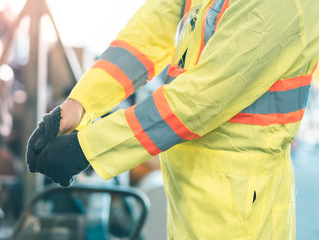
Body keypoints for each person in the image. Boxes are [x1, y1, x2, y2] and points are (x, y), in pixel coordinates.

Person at [26, 0, 319, 239]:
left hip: (241, 207)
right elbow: (146, 36)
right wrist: (79, 104)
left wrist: (87, 148)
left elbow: (200, 98)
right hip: (190, 190)